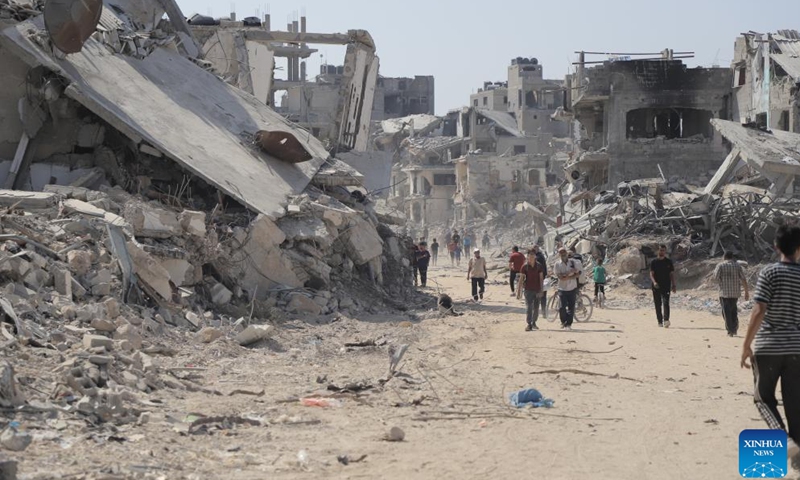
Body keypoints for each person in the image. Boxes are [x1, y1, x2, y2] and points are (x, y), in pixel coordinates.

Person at [741, 224, 800, 468]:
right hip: (797, 349)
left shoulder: (770, 272)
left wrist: (746, 345)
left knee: (763, 398)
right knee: (795, 406)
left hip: (768, 347)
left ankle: (782, 438)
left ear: (776, 247)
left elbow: (759, 310)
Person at [714, 252, 749, 337]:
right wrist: (746, 292)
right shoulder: (737, 266)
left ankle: (730, 330)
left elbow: (715, 278)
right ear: (732, 257)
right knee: (733, 310)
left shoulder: (720, 266)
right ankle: (734, 328)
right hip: (735, 293)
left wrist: (721, 283)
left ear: (724, 257)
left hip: (724, 293)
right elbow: (743, 279)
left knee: (726, 312)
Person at [517, 249, 545, 331]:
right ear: (527, 256)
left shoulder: (539, 266)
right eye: (530, 255)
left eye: (533, 254)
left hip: (537, 289)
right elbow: (521, 279)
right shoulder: (524, 267)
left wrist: (541, 290)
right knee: (529, 307)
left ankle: (534, 322)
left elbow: (541, 278)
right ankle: (529, 324)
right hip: (528, 290)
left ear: (535, 256)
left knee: (536, 307)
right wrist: (519, 291)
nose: (531, 256)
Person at [553, 247, 580, 330]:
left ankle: (568, 324)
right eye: (561, 252)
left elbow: (578, 273)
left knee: (571, 307)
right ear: (559, 254)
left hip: (572, 288)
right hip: (562, 288)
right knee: (562, 307)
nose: (563, 254)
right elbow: (560, 277)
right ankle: (563, 321)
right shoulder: (557, 264)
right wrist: (569, 274)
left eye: (564, 252)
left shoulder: (572, 262)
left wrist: (568, 275)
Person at [650, 244, 676, 328]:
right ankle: (659, 321)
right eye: (661, 250)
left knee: (666, 302)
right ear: (658, 251)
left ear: (665, 251)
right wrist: (654, 282)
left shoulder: (668, 262)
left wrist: (674, 284)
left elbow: (671, 274)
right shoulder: (654, 262)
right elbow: (651, 274)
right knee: (658, 304)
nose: (662, 252)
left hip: (666, 285)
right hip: (656, 285)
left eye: (663, 250)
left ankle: (666, 320)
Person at [533, 245, 549, 318]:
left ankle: (538, 312)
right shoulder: (541, 256)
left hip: (539, 279)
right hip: (542, 278)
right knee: (543, 296)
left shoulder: (538, 257)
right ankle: (543, 312)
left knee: (538, 296)